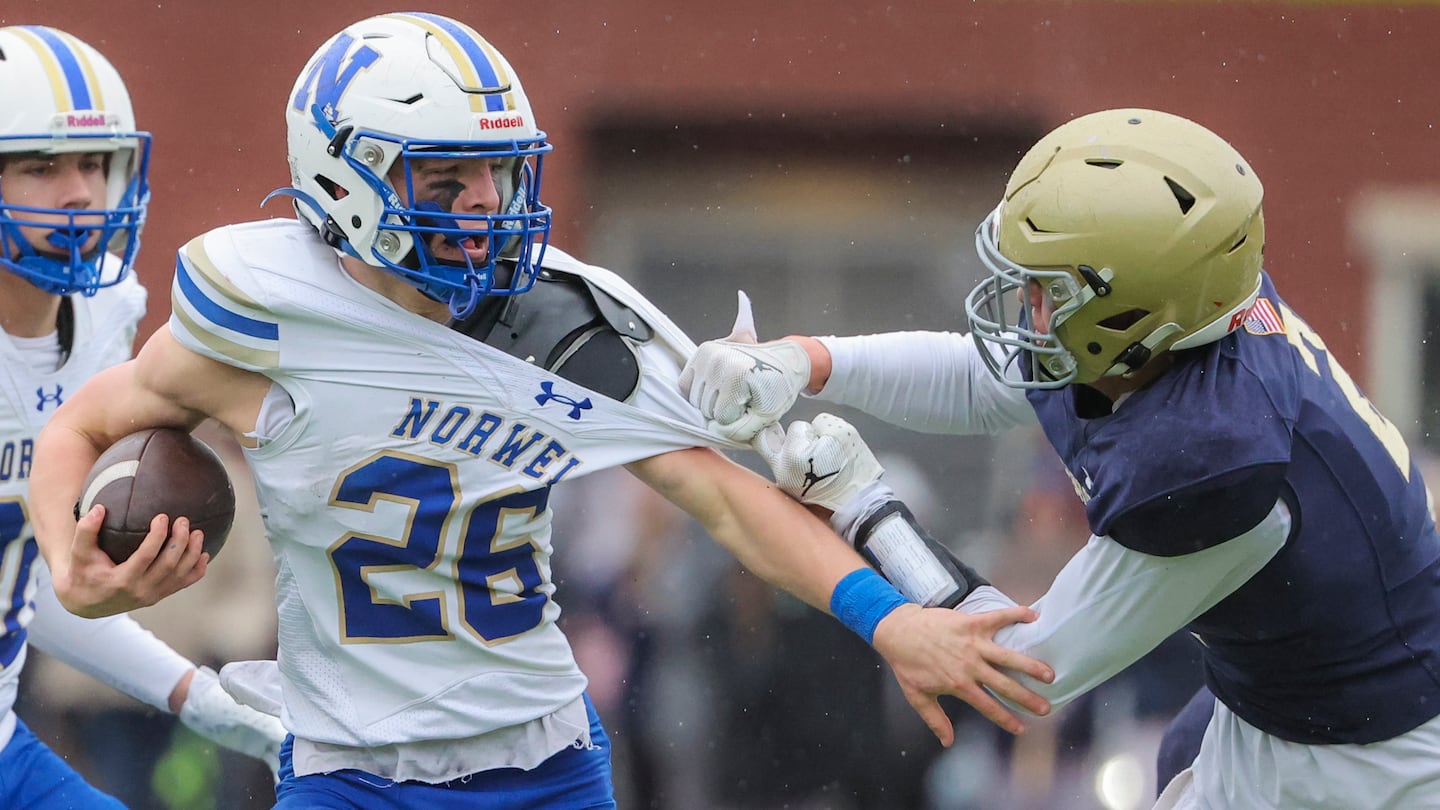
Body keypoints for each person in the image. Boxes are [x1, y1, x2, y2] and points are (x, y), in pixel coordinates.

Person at [25, 13, 1054, 809]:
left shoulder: (563, 324)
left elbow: (728, 497)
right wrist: (69, 560)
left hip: (541, 761)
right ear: (340, 175)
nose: (482, 206)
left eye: (499, 174)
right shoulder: (260, 318)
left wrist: (887, 620)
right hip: (344, 769)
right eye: (446, 176)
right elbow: (81, 424)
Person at [678, 108, 1440, 809]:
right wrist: (804, 360)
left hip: (1377, 760)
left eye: (1046, 288)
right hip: (1279, 703)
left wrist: (862, 508)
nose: (1025, 305)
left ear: (1134, 310)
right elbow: (983, 380)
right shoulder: (1186, 318)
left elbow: (1013, 669)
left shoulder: (1213, 463)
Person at [0, 24, 289, 808]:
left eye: (94, 163)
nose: (81, 193)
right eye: (42, 165)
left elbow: (32, 587)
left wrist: (197, 696)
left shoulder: (102, 319)